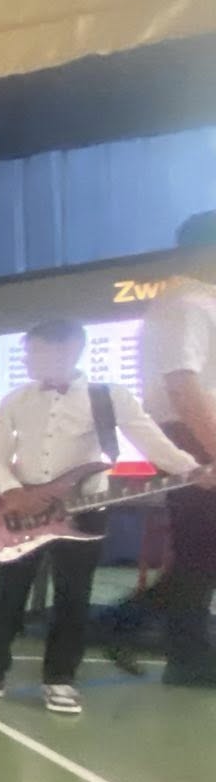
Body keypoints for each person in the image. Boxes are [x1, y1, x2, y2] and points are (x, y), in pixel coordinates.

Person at [0, 318, 200, 714]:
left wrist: (194, 470)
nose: (27, 360)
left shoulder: (108, 396)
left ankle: (60, 680)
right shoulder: (17, 398)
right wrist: (14, 493)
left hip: (85, 510)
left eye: (36, 352)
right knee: (7, 595)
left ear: (69, 351)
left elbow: (153, 442)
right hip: (22, 511)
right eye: (27, 352)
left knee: (73, 596)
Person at [140, 248, 216, 688]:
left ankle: (180, 644)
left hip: (198, 435)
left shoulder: (197, 301)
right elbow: (182, 386)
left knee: (201, 551)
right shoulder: (186, 304)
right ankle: (187, 658)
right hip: (194, 438)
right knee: (200, 550)